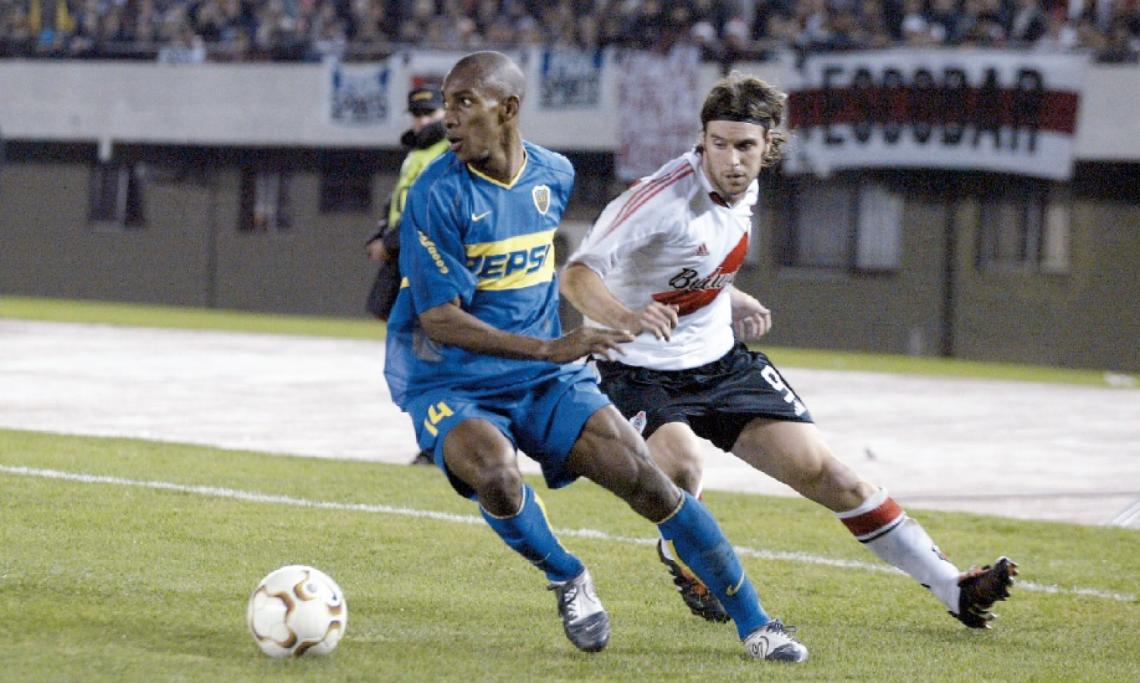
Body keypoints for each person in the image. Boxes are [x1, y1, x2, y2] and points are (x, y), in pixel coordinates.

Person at [383, 51, 808, 662]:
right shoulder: (436, 193)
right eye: (446, 104)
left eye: (462, 103)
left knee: (649, 483)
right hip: (452, 376)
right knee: (497, 476)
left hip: (546, 374)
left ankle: (758, 625)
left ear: (508, 109)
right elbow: (441, 319)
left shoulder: (552, 174)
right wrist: (554, 345)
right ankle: (567, 575)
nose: (448, 118)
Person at [560, 73, 1018, 630]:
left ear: (768, 147)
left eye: (744, 146)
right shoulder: (656, 201)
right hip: (635, 369)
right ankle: (683, 551)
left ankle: (954, 589)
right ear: (702, 140)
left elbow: (688, 268)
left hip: (720, 364)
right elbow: (579, 276)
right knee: (681, 466)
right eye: (718, 143)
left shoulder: (743, 189)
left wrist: (730, 297)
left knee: (830, 474)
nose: (729, 159)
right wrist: (625, 319)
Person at [365, 84, 448, 466]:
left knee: (430, 352)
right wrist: (381, 234)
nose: (422, 121)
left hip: (424, 257)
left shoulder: (443, 150)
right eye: (417, 114)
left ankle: (438, 441)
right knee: (419, 351)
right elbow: (398, 199)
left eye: (428, 113)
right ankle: (435, 437)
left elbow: (427, 206)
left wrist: (391, 241)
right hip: (406, 256)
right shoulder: (416, 152)